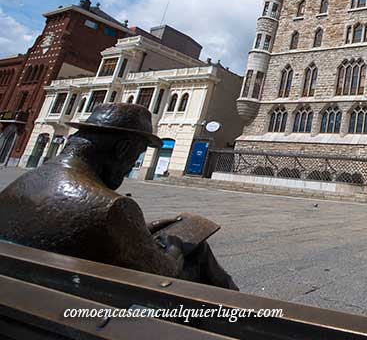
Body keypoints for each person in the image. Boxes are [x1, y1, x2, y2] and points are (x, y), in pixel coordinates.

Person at [0, 103, 238, 289]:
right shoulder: (112, 207)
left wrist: (139, 228)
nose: (133, 163)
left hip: (31, 296)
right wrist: (175, 246)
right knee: (197, 252)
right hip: (91, 308)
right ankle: (241, 321)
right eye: (138, 153)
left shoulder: (19, 185)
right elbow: (161, 271)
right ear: (122, 149)